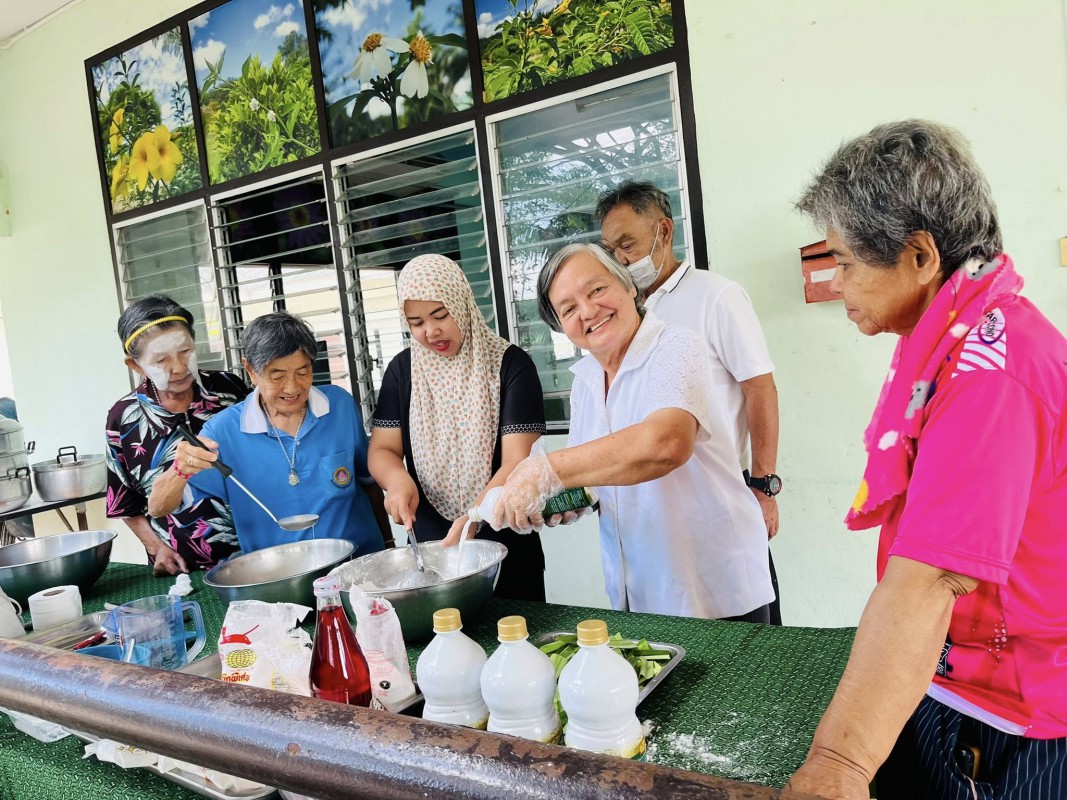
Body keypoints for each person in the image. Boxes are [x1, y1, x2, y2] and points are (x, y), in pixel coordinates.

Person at [787, 120, 1067, 799]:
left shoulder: (991, 372)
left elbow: (931, 579)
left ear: (918, 254)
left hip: (1011, 709)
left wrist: (838, 765)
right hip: (953, 672)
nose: (836, 282)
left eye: (845, 261)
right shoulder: (957, 336)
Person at [492, 242, 774, 621]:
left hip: (714, 586)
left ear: (628, 285)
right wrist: (554, 501)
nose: (588, 311)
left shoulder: (676, 346)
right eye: (569, 309)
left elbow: (667, 443)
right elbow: (592, 478)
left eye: (597, 289)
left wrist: (545, 469)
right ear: (560, 327)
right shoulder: (585, 381)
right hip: (636, 589)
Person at [597, 181, 784, 624]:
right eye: (610, 251)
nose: (620, 259)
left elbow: (760, 389)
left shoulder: (715, 297)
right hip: (650, 518)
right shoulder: (620, 315)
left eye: (628, 244)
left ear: (664, 232)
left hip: (716, 502)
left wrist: (764, 485)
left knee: (741, 636)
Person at [369, 254, 548, 601]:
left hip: (506, 541)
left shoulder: (510, 365)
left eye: (440, 315)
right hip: (431, 553)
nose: (430, 331)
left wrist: (475, 514)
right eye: (416, 322)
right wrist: (396, 479)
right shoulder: (402, 371)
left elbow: (517, 462)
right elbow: (383, 449)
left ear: (461, 303)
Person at [148, 312, 391, 556]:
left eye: (303, 372)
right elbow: (158, 507)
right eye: (277, 376)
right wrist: (179, 470)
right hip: (282, 573)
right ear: (250, 370)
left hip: (359, 561)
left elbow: (368, 484)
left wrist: (388, 543)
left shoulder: (339, 405)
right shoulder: (223, 432)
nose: (292, 388)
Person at [105, 296, 249, 574]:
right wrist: (156, 547)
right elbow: (123, 501)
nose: (179, 368)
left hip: (255, 551)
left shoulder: (230, 390)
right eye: (161, 360)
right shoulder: (123, 418)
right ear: (135, 366)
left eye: (185, 351)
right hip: (184, 568)